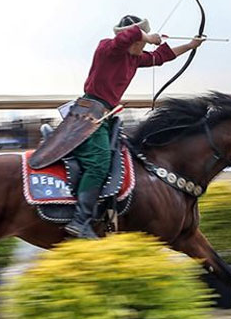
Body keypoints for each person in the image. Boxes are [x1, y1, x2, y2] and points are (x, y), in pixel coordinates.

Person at [64, 15, 205, 239]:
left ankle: (108, 218)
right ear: (135, 40)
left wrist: (190, 45)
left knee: (120, 163)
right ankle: (79, 221)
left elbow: (160, 57)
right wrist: (148, 36)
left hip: (105, 116)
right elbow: (127, 36)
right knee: (99, 165)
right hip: (89, 114)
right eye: (143, 41)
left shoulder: (134, 57)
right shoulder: (108, 49)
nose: (145, 45)